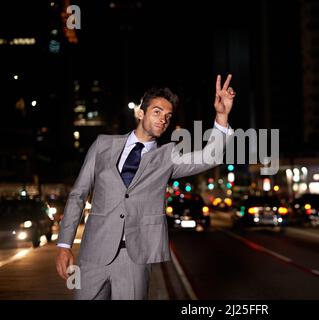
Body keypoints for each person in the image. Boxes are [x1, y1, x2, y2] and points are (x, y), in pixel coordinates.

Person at [55, 75, 236, 299]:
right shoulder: (103, 145)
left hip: (135, 259)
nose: (163, 119)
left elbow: (211, 156)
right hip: (92, 255)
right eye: (157, 111)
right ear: (141, 113)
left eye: (168, 116)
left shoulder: (167, 156)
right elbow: (78, 194)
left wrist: (222, 114)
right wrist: (64, 245)